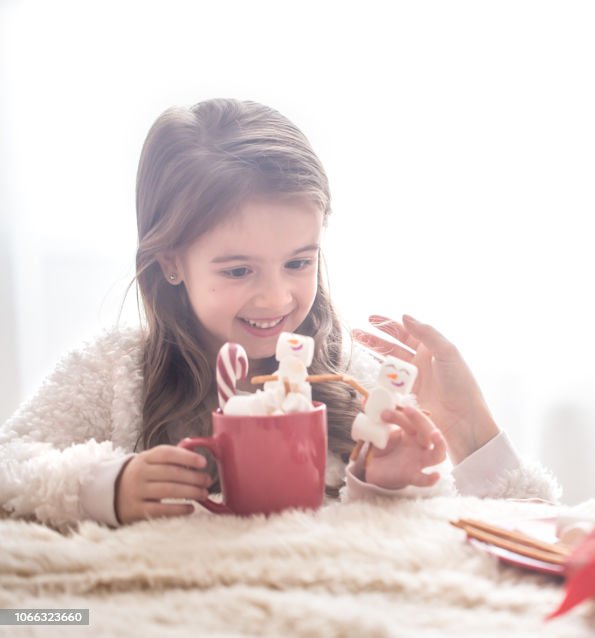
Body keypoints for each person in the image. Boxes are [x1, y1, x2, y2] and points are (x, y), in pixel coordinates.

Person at [0, 98, 558, 529]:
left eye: (297, 262)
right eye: (238, 270)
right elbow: (10, 465)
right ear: (171, 261)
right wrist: (104, 486)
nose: (275, 299)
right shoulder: (117, 371)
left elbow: (509, 532)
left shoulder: (353, 381)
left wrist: (387, 485)